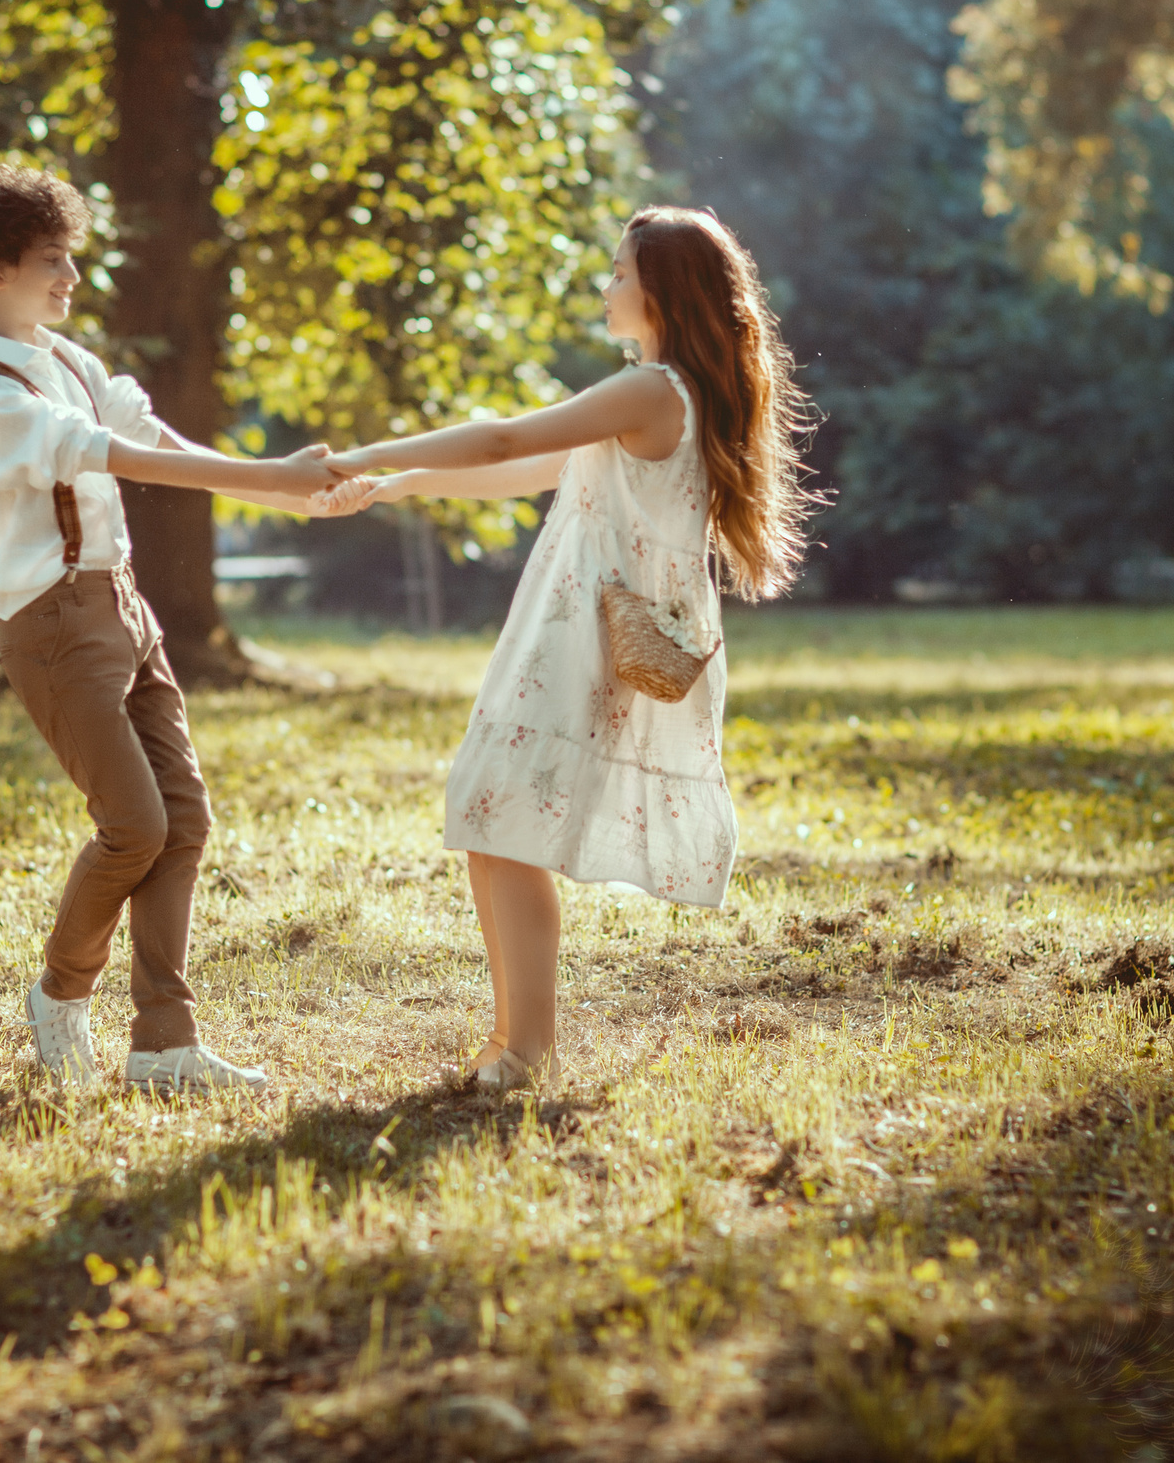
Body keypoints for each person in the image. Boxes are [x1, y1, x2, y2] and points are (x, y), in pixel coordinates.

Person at [319, 207, 815, 1087]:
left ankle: (528, 1051)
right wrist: (398, 483)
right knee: (492, 821)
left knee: (505, 822)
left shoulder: (653, 389)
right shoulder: (656, 393)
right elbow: (528, 467)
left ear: (661, 292)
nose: (606, 286)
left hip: (585, 639)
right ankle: (510, 1041)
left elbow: (506, 434)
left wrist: (358, 453)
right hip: (567, 628)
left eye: (620, 273)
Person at [0, 163, 350, 1093]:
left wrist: (279, 488)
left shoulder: (68, 362)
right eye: (53, 258)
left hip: (124, 605)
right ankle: (60, 994)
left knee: (184, 816)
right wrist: (272, 477)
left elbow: (153, 437)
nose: (71, 276)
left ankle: (164, 1041)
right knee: (133, 826)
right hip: (53, 624)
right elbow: (110, 455)